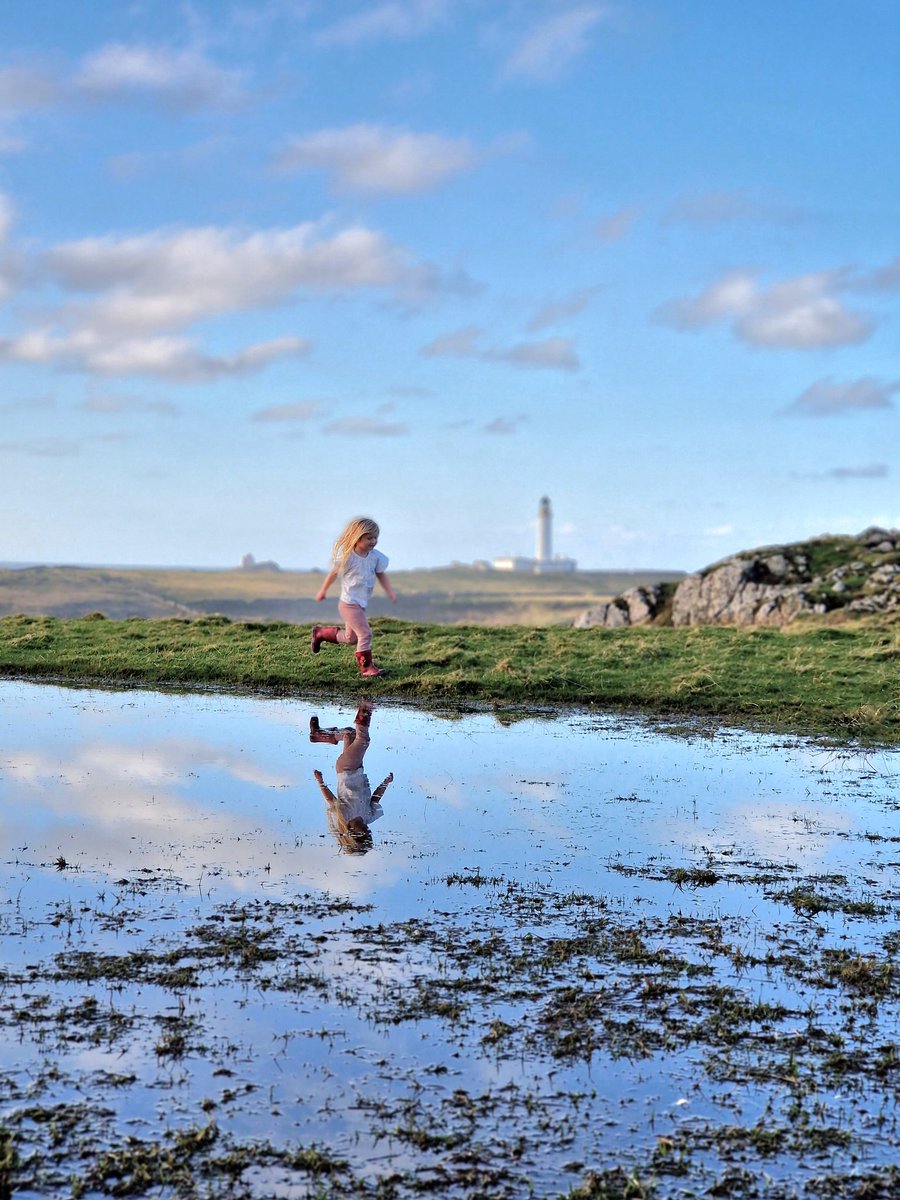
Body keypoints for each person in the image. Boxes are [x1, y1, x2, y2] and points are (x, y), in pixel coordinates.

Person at [311, 516, 396, 677]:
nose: (373, 541)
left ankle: (320, 633)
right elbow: (333, 574)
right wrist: (323, 591)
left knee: (351, 638)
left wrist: (389, 591)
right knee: (365, 634)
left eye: (375, 537)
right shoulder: (348, 557)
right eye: (369, 538)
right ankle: (367, 668)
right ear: (357, 538)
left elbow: (381, 575)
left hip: (360, 604)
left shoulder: (375, 557)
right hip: (348, 604)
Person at [310, 701, 393, 854]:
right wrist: (385, 783)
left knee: (363, 740)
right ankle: (318, 735)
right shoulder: (369, 817)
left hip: (346, 769)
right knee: (349, 734)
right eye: (369, 833)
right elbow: (375, 798)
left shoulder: (344, 815)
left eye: (364, 833)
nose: (367, 830)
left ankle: (366, 706)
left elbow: (330, 799)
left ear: (351, 831)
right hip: (357, 768)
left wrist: (320, 781)